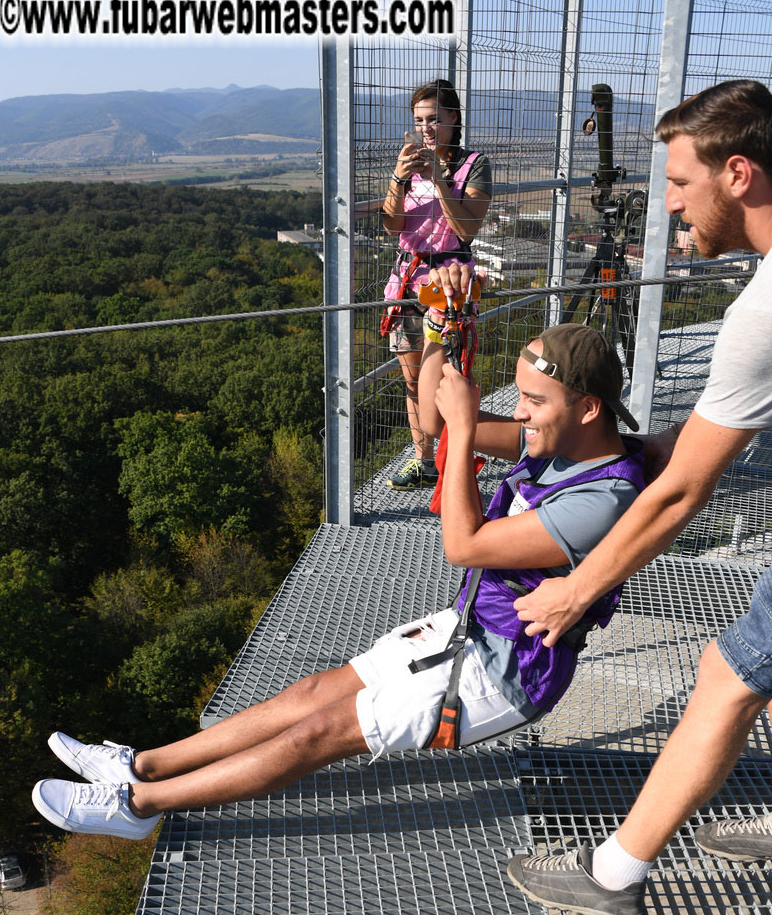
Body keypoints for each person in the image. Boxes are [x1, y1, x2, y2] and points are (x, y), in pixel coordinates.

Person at [32, 326, 643, 840]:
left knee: (319, 733)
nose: (518, 412)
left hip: (505, 673)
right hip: (470, 628)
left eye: (534, 399)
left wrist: (461, 436)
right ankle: (141, 765)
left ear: (587, 408)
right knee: (311, 693)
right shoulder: (557, 438)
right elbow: (434, 419)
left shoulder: (600, 498)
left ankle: (139, 809)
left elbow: (463, 545)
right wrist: (438, 331)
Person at [504, 78, 772, 915]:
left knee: (729, 678)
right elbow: (692, 446)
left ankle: (614, 875)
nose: (667, 203)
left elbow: (684, 489)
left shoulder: (761, 314)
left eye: (680, 183)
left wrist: (576, 592)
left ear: (738, 173)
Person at [381, 78, 491, 490]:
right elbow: (392, 226)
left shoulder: (474, 164)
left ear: (453, 120)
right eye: (418, 121)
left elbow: (466, 227)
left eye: (433, 120)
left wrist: (440, 181)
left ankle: (453, 457)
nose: (425, 129)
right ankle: (424, 459)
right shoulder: (409, 165)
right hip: (408, 281)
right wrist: (398, 178)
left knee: (445, 378)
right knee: (413, 377)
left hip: (449, 286)